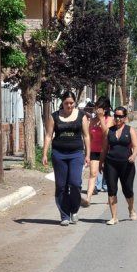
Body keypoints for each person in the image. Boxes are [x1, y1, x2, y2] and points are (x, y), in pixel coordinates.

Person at [42, 91, 90, 226]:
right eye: (66, 103)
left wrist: (87, 155)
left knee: (75, 183)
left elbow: (86, 136)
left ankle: (74, 210)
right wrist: (44, 153)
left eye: (71, 103)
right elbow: (48, 136)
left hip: (76, 154)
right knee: (61, 186)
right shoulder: (55, 116)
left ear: (74, 103)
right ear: (62, 103)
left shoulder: (81, 116)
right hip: (59, 154)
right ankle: (64, 215)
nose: (69, 105)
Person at [100, 107, 137, 224]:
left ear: (125, 118)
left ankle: (131, 209)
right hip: (111, 163)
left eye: (120, 116)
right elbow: (104, 149)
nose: (117, 118)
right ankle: (114, 217)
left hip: (126, 164)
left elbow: (136, 146)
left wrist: (133, 156)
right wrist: (101, 163)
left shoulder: (130, 130)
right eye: (116, 116)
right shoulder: (109, 131)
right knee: (112, 189)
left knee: (127, 189)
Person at [83, 97, 111, 207]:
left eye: (101, 108)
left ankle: (111, 197)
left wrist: (101, 119)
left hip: (107, 150)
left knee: (109, 175)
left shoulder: (109, 120)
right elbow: (88, 138)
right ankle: (88, 198)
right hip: (95, 150)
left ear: (106, 109)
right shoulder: (92, 121)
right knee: (93, 173)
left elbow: (106, 133)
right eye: (97, 107)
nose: (98, 110)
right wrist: (87, 154)